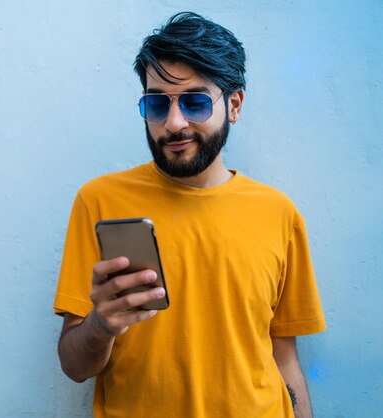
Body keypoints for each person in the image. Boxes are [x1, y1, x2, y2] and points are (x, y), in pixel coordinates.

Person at [53, 11, 326, 418]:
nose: (174, 123)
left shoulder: (278, 213)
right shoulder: (100, 201)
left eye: (196, 102)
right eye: (157, 104)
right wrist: (101, 325)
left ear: (233, 104)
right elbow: (74, 367)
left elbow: (284, 359)